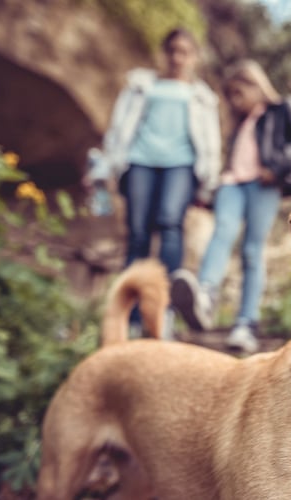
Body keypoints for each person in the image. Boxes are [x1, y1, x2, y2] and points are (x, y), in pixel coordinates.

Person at [86, 28, 222, 340]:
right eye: (172, 50)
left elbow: (211, 142)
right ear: (165, 52)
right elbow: (119, 129)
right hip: (139, 162)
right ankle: (131, 317)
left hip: (181, 165)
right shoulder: (141, 85)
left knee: (170, 225)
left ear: (194, 57)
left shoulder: (202, 97)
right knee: (138, 235)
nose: (177, 57)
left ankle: (164, 313)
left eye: (184, 52)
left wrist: (208, 181)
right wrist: (105, 166)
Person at [171, 59, 291, 353]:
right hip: (232, 184)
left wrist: (275, 168)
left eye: (238, 93)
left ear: (255, 85)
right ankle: (205, 297)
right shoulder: (240, 125)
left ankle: (246, 323)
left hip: (263, 185)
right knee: (222, 231)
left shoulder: (282, 108)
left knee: (251, 250)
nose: (235, 102)